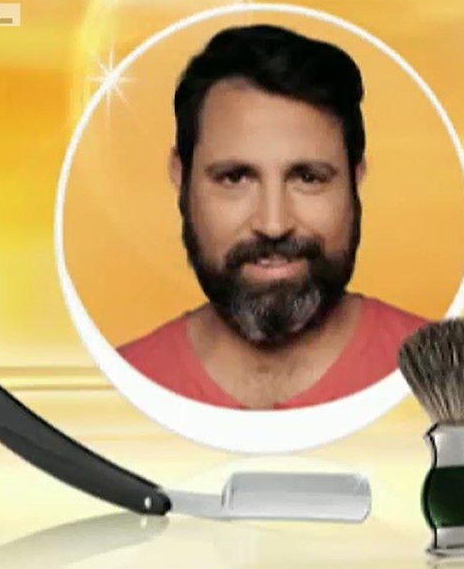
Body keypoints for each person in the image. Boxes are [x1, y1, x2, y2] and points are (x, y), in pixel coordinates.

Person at [119, 23, 429, 410]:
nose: (273, 224)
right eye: (235, 178)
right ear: (181, 177)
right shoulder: (115, 389)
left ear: (356, 178)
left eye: (308, 178)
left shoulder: (440, 374)